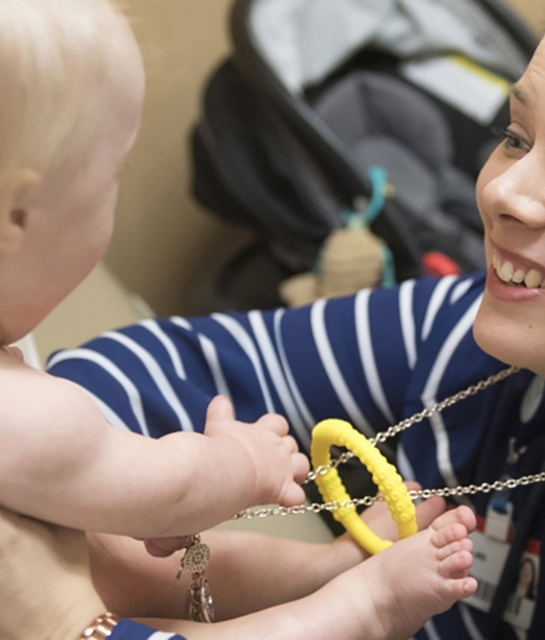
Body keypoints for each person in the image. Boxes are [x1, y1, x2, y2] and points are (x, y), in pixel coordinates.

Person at [41, 0, 545, 637]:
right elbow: (143, 369)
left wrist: (53, 612)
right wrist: (165, 480)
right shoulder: (472, 339)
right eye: (515, 136)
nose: (500, 190)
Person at [0, 0, 478, 638]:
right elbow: (169, 491)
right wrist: (240, 464)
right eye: (115, 174)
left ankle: (333, 566)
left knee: (110, 554)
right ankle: (365, 609)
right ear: (19, 216)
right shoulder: (26, 418)